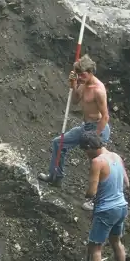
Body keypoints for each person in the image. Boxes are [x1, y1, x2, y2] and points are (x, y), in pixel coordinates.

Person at [38, 55, 111, 186]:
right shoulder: (83, 84)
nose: (80, 77)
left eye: (82, 75)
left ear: (90, 72)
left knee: (96, 162)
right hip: (85, 126)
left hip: (98, 128)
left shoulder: (98, 90)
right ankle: (55, 177)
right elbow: (76, 101)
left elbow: (105, 116)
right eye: (78, 74)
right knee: (58, 143)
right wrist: (73, 83)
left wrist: (96, 136)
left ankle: (96, 198)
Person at [79, 131, 129, 261]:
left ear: (89, 148)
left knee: (95, 248)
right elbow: (126, 183)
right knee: (116, 241)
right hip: (121, 206)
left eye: (85, 151)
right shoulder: (116, 156)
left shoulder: (97, 162)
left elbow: (92, 192)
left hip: (106, 210)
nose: (86, 155)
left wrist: (87, 197)